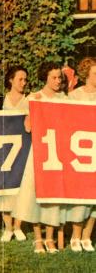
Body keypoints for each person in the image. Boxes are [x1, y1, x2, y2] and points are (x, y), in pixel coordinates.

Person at [13, 62, 66, 253]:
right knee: (36, 194)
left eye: (60, 77)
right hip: (39, 152)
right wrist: (35, 110)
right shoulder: (34, 97)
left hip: (56, 153)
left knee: (53, 195)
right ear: (46, 77)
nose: (58, 81)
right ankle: (38, 239)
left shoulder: (64, 98)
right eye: (54, 77)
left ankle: (50, 238)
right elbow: (27, 126)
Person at [0, 66, 28, 242]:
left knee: (22, 189)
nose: (24, 83)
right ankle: (8, 227)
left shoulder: (30, 100)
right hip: (3, 152)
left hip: (23, 152)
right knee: (3, 188)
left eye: (25, 79)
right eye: (20, 79)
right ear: (11, 80)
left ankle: (18, 226)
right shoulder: (0, 101)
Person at [67, 57, 96, 252]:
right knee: (80, 195)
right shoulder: (75, 95)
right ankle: (75, 235)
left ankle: (87, 236)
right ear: (86, 74)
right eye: (95, 73)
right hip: (81, 153)